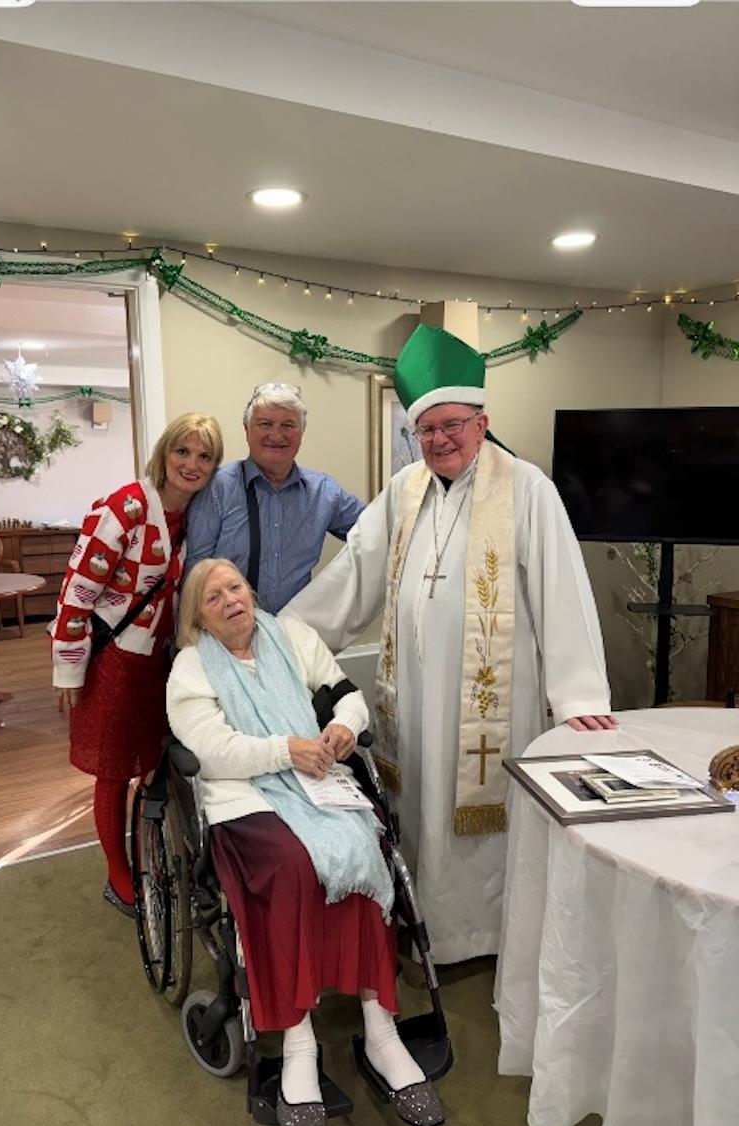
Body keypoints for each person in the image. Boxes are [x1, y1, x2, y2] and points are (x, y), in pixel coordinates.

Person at [284, 323, 617, 964]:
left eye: (451, 425)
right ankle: (421, 923)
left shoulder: (526, 488)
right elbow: (355, 571)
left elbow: (562, 589)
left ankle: (486, 937)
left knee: (480, 825)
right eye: (425, 429)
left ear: (482, 420)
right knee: (419, 815)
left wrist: (576, 695)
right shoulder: (404, 490)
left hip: (492, 704)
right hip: (412, 692)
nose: (438, 440)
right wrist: (285, 637)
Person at [167, 558, 444, 1126]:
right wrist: (284, 752)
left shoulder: (291, 636)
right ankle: (297, 1044)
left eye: (236, 588)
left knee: (366, 851)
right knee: (294, 868)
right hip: (244, 796)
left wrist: (344, 726)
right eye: (213, 598)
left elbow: (346, 694)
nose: (231, 601)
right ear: (199, 617)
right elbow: (212, 749)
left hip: (314, 779)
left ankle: (381, 1029)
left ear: (252, 591)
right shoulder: (191, 669)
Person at [50, 412, 224, 915]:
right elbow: (77, 589)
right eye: (183, 451)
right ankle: (117, 873)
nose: (191, 464)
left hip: (161, 664)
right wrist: (68, 665)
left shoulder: (197, 517)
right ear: (165, 453)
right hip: (113, 664)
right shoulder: (125, 506)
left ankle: (153, 853)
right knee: (111, 771)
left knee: (152, 763)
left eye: (204, 456)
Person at [184, 382, 365, 613]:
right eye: (265, 424)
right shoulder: (217, 487)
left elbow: (379, 528)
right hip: (227, 632)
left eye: (288, 425)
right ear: (246, 430)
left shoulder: (324, 493)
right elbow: (195, 575)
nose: (276, 435)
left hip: (294, 632)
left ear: (301, 434)